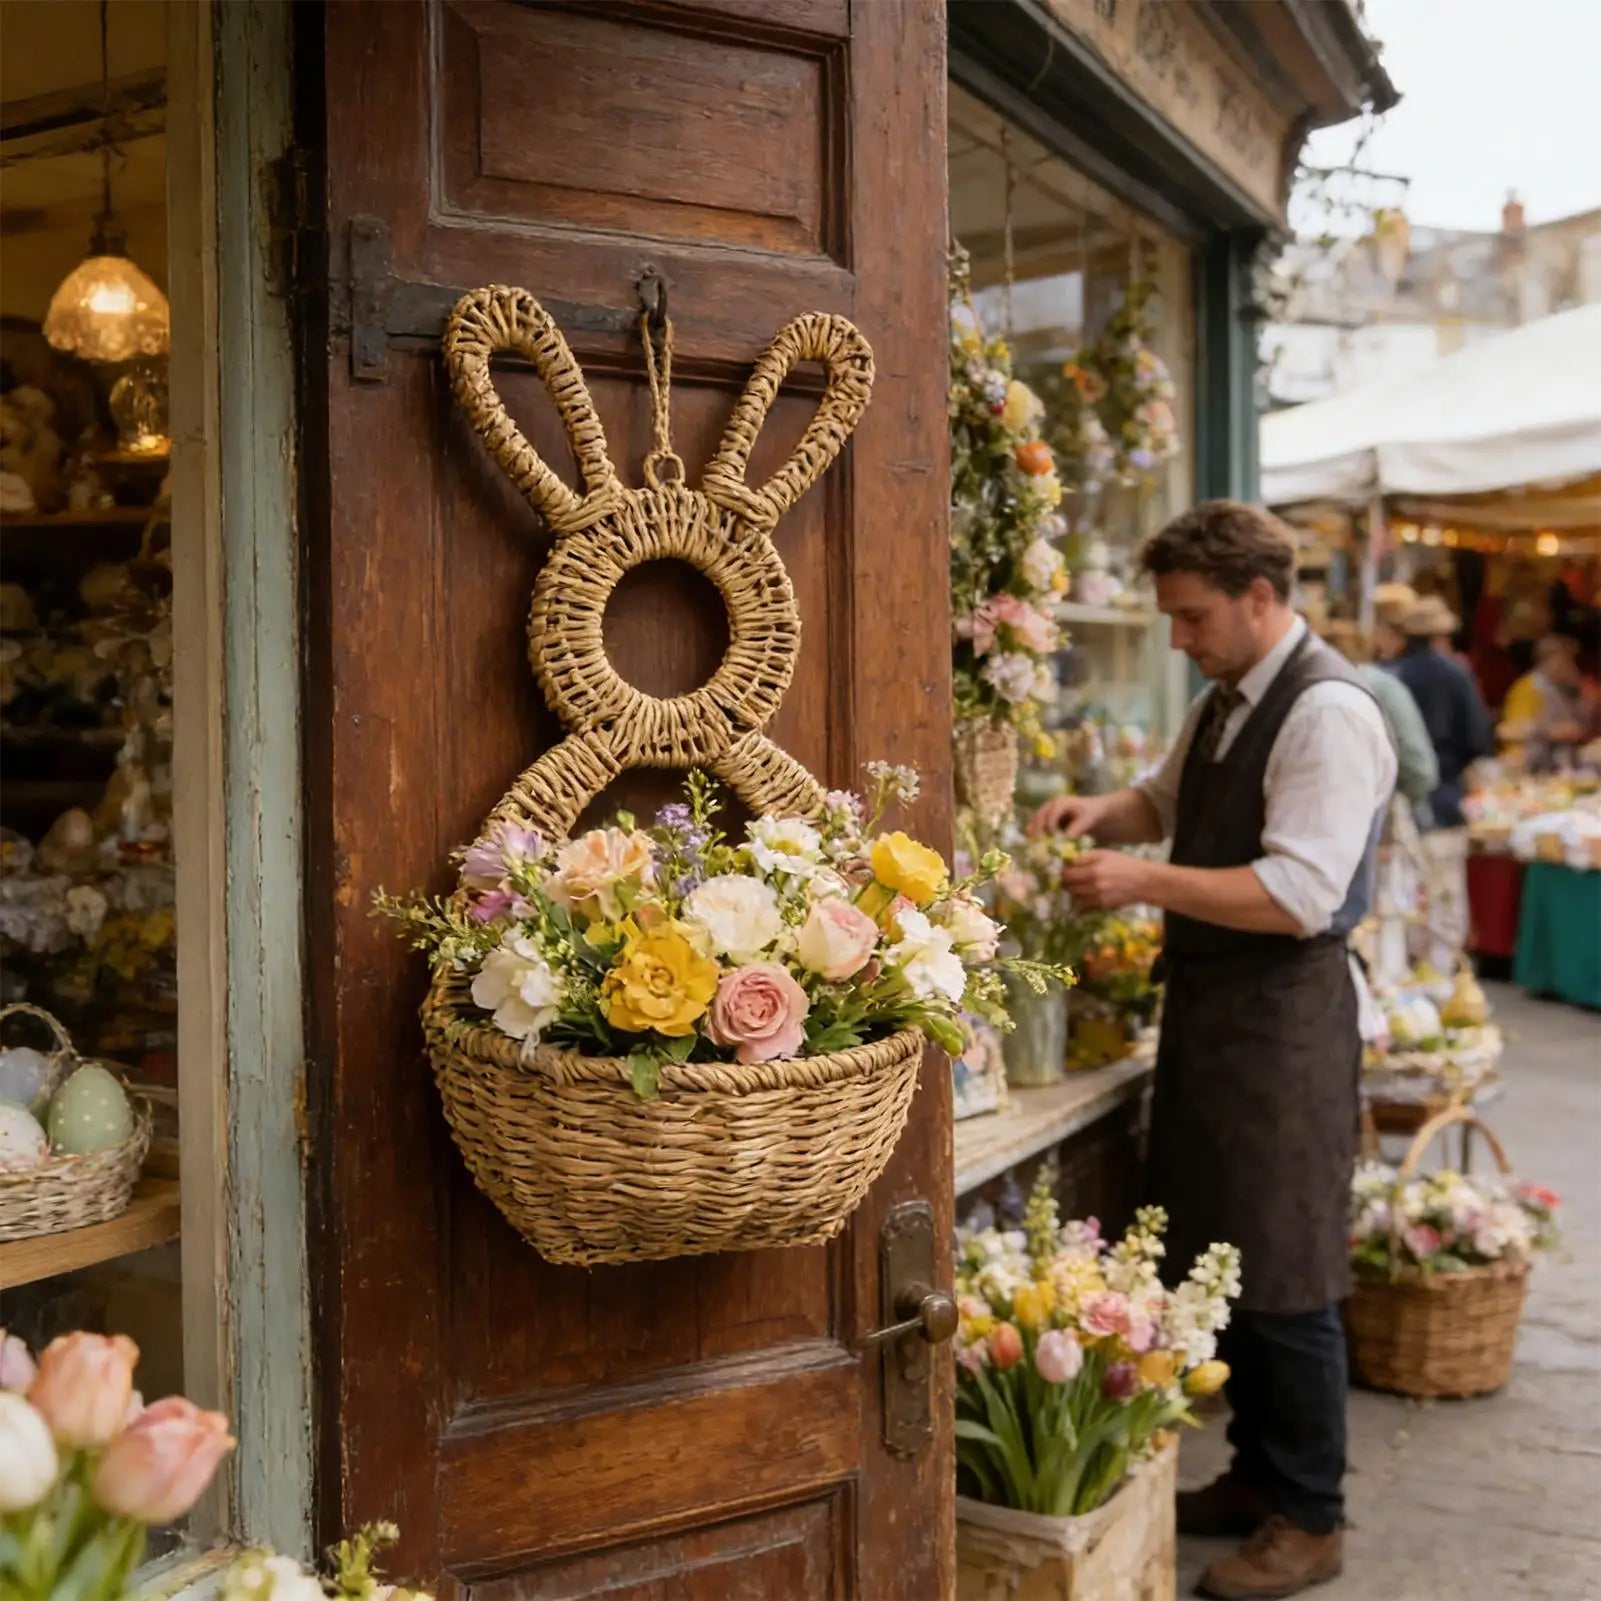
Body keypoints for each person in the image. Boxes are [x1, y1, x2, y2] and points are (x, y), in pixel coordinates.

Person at [1030, 501, 1395, 1600]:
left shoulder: (1327, 711)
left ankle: (1311, 1513)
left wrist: (1140, 881)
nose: (1178, 638)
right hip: (1215, 1015)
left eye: (1191, 618)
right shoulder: (1228, 697)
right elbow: (1164, 800)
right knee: (1221, 1255)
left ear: (1258, 596)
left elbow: (1296, 890)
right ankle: (1252, 1474)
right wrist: (1101, 813)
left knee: (1284, 1271)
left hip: (1284, 1021)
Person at [1386, 596, 1496, 971]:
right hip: (1443, 798)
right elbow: (1479, 739)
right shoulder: (1454, 674)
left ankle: (1405, 974)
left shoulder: (1390, 674)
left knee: (1401, 895)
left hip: (1394, 800)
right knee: (1444, 897)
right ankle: (1442, 978)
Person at [1497, 633, 1599, 771]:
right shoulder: (1529, 687)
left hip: (1560, 768)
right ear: (1551, 660)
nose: (1571, 666)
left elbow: (1581, 728)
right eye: (1566, 660)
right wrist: (1552, 731)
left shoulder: (1565, 688)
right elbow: (1507, 731)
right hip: (1528, 768)